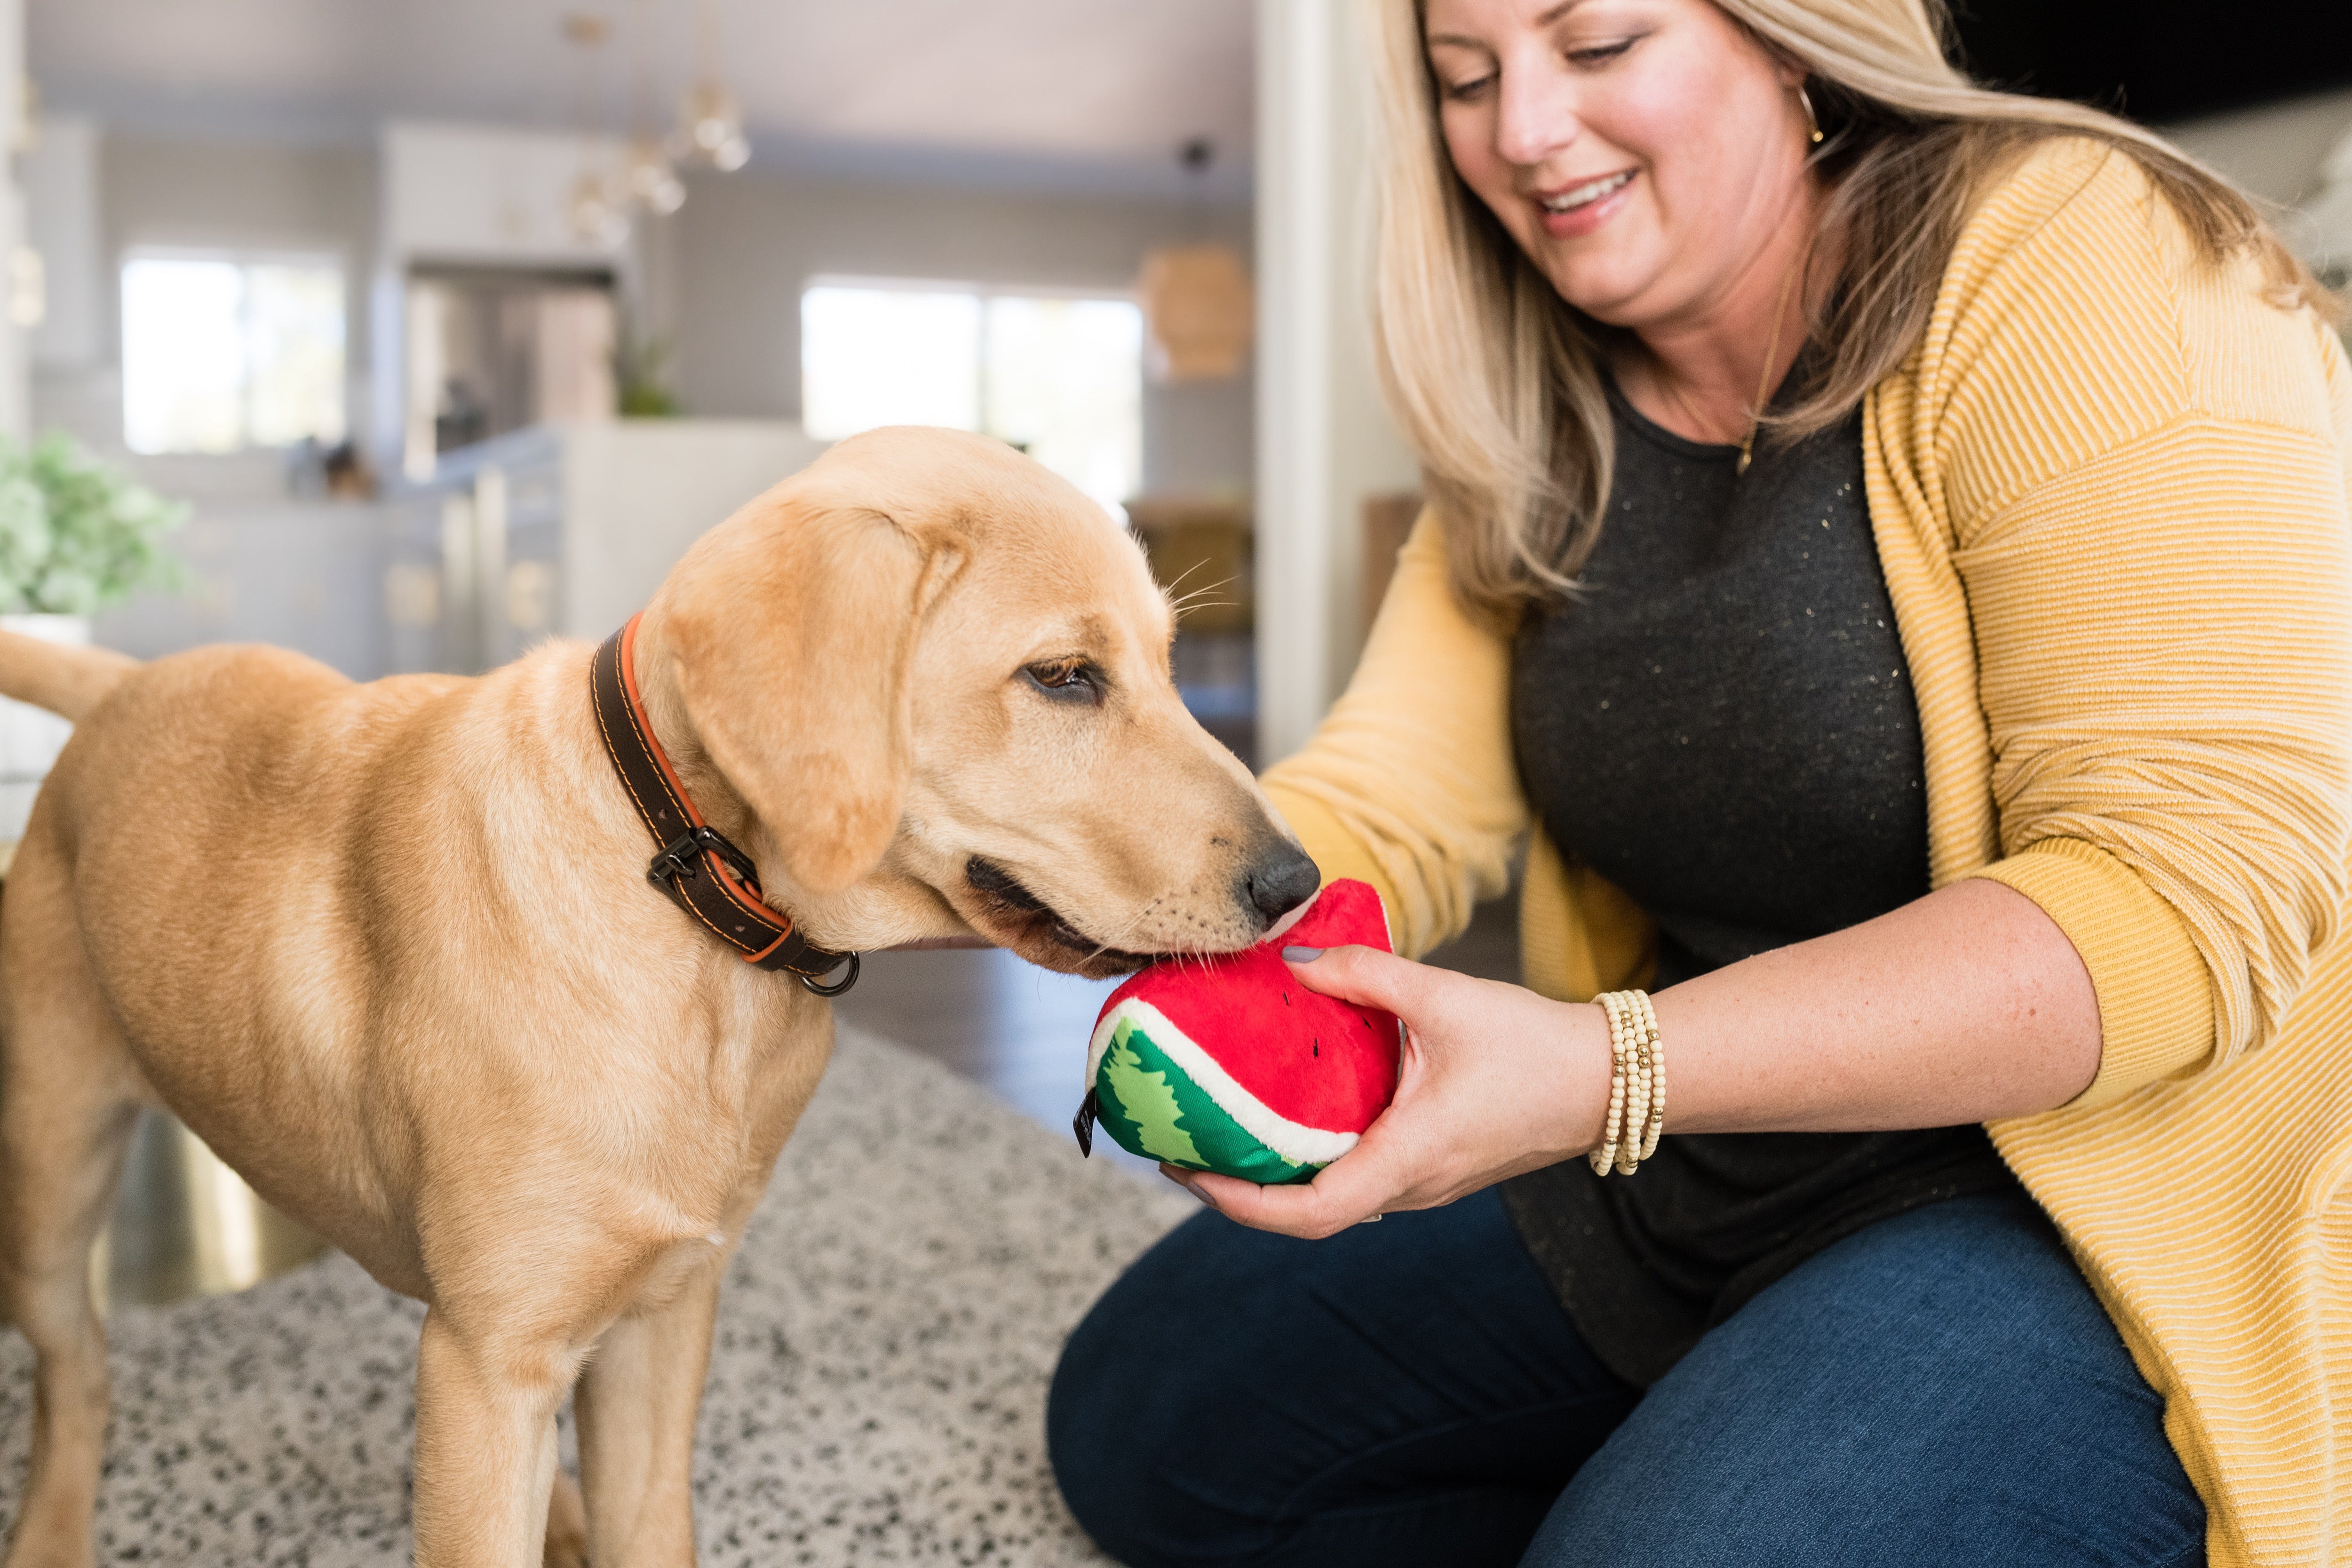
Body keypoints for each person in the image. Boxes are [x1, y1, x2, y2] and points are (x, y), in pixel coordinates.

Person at [1048, 1, 2352, 1564]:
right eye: (1467, 78)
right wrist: (1106, 861)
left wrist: (1608, 1069)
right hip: (1695, 1155)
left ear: (1792, 37)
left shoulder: (2079, 251)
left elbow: (2191, 894)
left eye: (1596, 44)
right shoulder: (1534, 394)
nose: (1522, 130)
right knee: (1147, 1424)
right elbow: (1395, 799)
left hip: (2075, 1202)